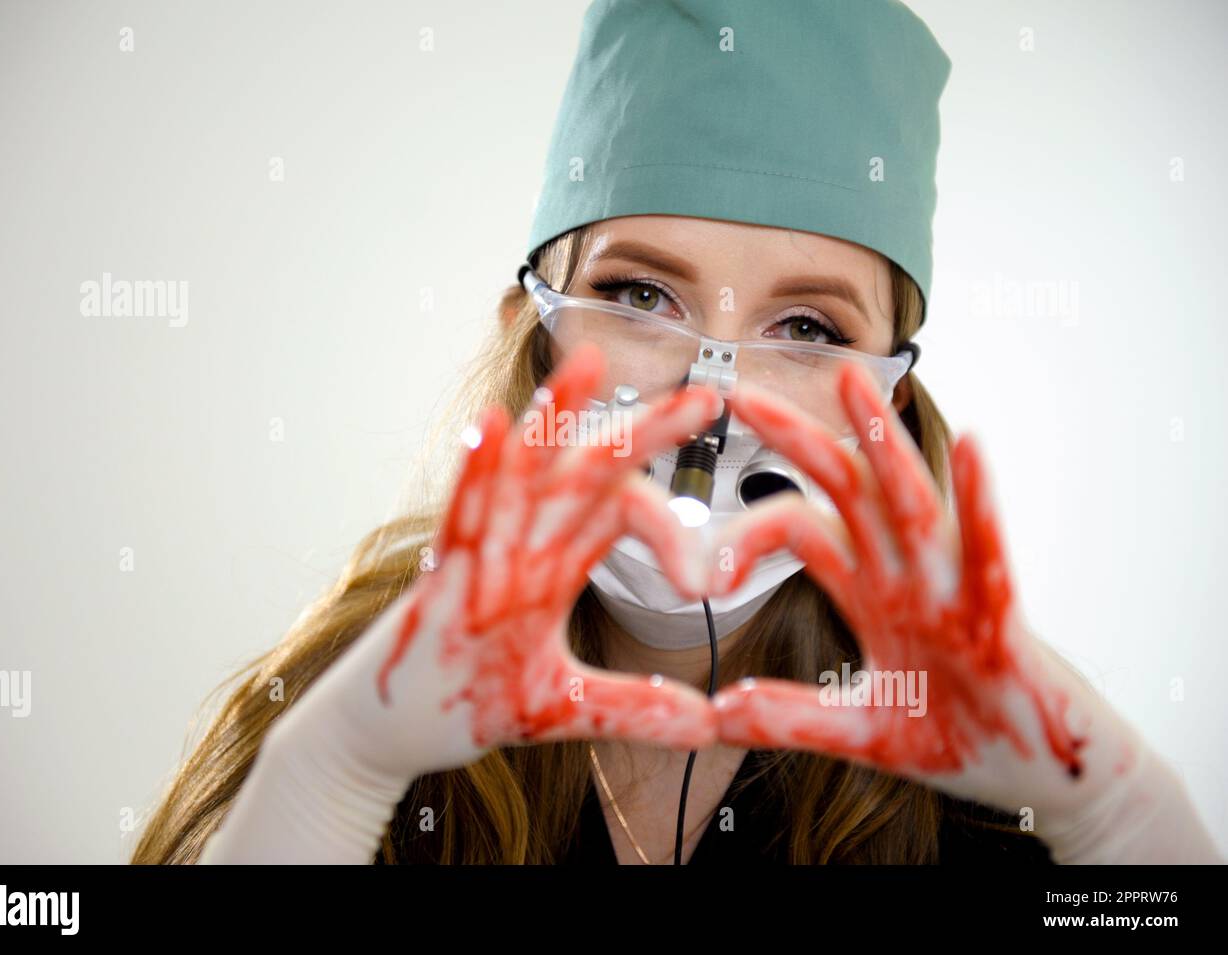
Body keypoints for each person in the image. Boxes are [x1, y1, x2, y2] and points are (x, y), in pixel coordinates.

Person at [131, 0, 1223, 865]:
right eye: (644, 295)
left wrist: (1121, 821)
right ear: (533, 332)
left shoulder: (983, 792)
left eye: (806, 325)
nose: (716, 393)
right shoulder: (336, 721)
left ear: (885, 402)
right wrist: (331, 781)